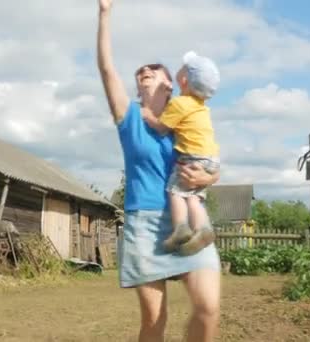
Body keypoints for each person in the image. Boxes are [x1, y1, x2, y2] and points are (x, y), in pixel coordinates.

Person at [96, 1, 221, 341]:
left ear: (171, 83)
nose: (145, 70)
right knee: (154, 320)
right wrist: (104, 14)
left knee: (208, 308)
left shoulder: (187, 113)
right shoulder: (129, 117)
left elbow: (209, 158)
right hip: (146, 224)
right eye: (141, 72)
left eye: (155, 68)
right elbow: (107, 70)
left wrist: (211, 177)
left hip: (192, 221)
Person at [143, 51, 221, 256]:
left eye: (182, 68)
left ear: (183, 79)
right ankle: (203, 229)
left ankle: (180, 228)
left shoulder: (179, 104)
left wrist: (147, 115)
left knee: (175, 192)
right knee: (193, 198)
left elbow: (161, 127)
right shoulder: (201, 106)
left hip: (192, 158)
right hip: (210, 159)